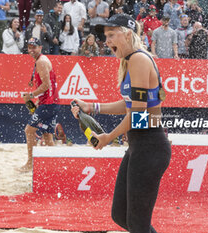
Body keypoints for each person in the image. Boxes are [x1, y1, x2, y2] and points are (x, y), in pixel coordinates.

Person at [71, 14, 171, 232]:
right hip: (140, 145)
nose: (106, 41)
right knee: (120, 215)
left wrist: (108, 137)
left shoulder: (138, 59)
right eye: (105, 36)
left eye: (111, 35)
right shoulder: (130, 61)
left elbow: (139, 114)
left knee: (137, 223)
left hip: (150, 146)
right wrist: (91, 107)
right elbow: (129, 104)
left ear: (128, 34)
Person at [20, 37, 60, 172]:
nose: (31, 50)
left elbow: (46, 85)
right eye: (29, 47)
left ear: (40, 47)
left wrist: (31, 95)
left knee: (29, 130)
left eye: (34, 47)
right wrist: (38, 100)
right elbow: (49, 86)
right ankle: (54, 166)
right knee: (48, 136)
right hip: (51, 102)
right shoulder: (41, 60)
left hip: (49, 104)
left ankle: (30, 163)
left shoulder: (41, 62)